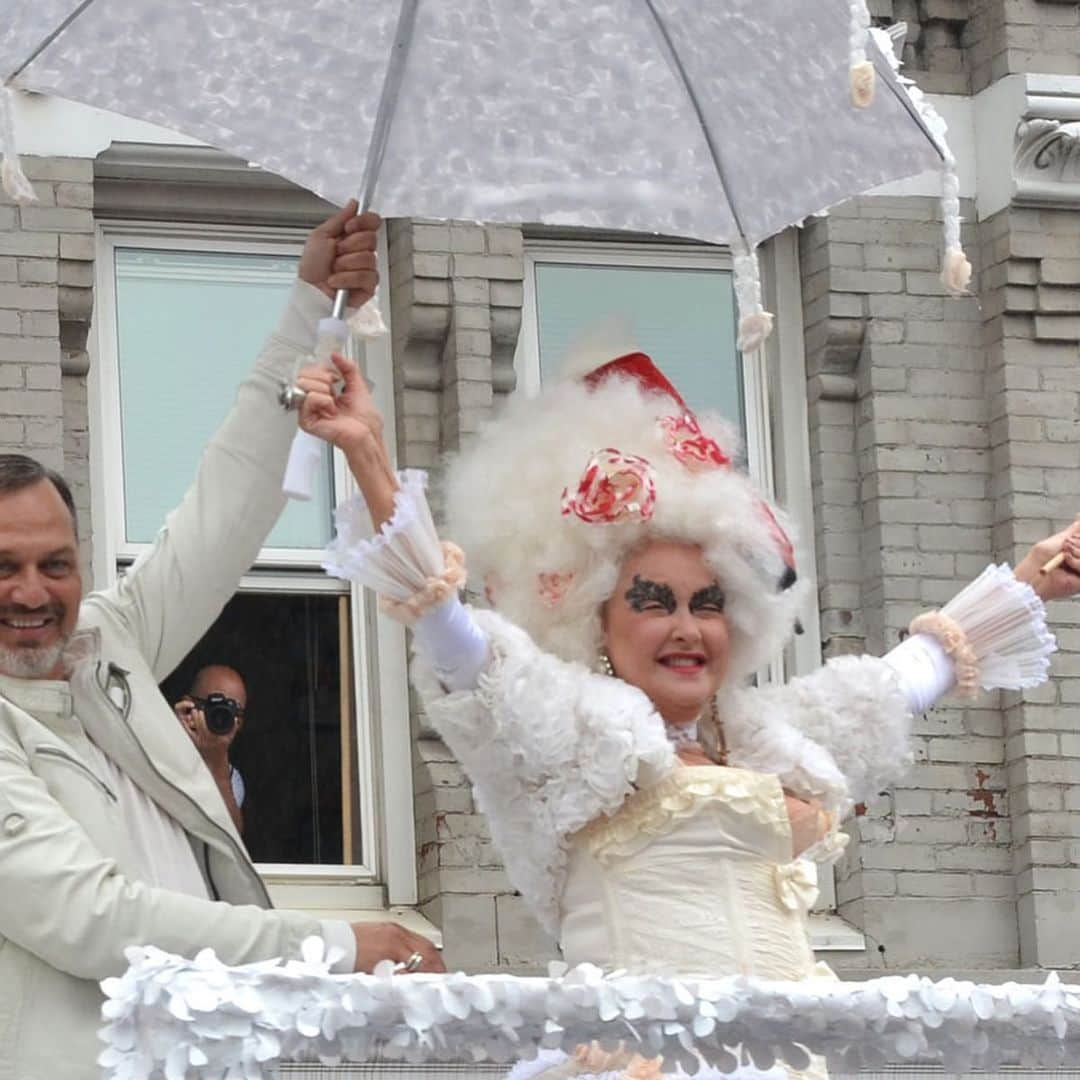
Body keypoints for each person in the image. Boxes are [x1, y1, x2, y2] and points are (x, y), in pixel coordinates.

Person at [295, 345, 1080, 1080]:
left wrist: (1031, 580)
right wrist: (367, 453)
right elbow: (453, 634)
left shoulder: (765, 733)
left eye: (708, 604)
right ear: (596, 615)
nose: (686, 627)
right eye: (653, 601)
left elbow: (904, 677)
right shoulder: (567, 731)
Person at [0, 203, 442, 1080]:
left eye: (55, 563)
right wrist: (335, 944)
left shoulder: (106, 642)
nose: (31, 593)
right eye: (3, 566)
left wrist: (313, 304)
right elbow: (99, 920)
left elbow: (225, 508)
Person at [174, 664, 248, 833]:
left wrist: (217, 759)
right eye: (215, 706)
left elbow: (231, 835)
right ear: (188, 706)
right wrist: (170, 731)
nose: (222, 717)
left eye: (232, 711)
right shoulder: (159, 748)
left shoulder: (230, 778)